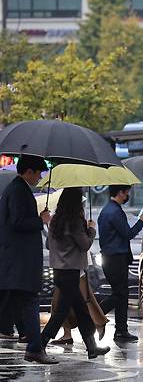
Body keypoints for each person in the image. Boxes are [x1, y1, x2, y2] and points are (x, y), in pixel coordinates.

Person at [40, 187, 110, 359]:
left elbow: (49, 245)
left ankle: (92, 347)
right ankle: (39, 344)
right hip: (71, 272)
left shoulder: (56, 220)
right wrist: (91, 229)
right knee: (61, 313)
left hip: (58, 271)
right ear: (76, 202)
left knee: (81, 310)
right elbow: (85, 245)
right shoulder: (75, 222)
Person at [0, 155, 57, 364]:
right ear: (29, 171)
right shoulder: (18, 190)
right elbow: (17, 222)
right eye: (39, 173)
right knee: (30, 300)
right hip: (20, 260)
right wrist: (39, 220)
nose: (39, 178)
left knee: (21, 302)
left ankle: (34, 346)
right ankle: (34, 348)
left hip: (16, 260)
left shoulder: (17, 189)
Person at [98, 185, 143, 342]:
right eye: (127, 192)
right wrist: (141, 221)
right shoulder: (114, 211)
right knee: (119, 294)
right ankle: (95, 314)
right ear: (120, 192)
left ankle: (121, 330)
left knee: (122, 295)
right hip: (115, 258)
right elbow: (128, 234)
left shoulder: (107, 209)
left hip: (111, 258)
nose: (128, 195)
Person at [49, 273, 108, 345]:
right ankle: (70, 335)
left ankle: (98, 322)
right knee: (64, 300)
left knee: (82, 298)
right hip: (66, 267)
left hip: (72, 267)